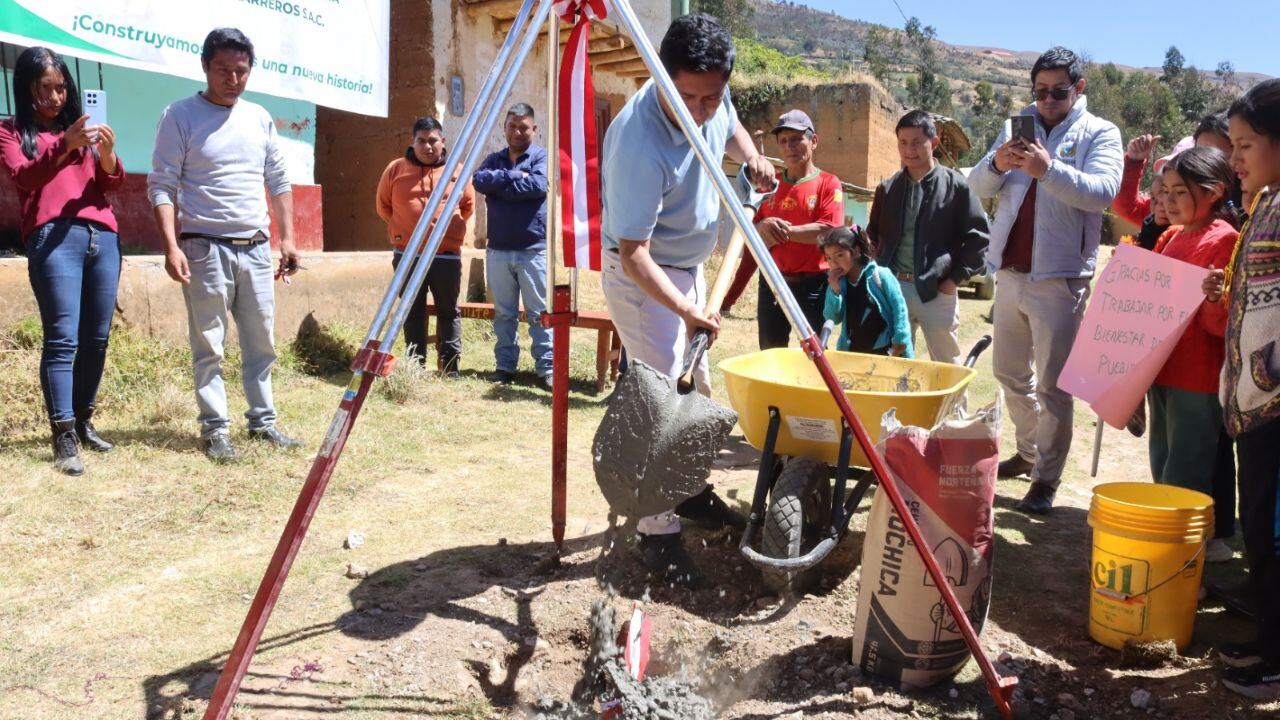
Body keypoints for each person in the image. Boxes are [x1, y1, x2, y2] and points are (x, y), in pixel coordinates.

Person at [598, 12, 775, 585]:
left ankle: (691, 490)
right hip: (647, 281)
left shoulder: (711, 97)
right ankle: (656, 533)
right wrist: (685, 308)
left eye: (711, 97)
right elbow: (634, 254)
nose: (702, 110)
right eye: (690, 98)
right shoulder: (638, 141)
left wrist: (749, 155)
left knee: (695, 386)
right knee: (662, 398)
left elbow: (730, 125)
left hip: (690, 269)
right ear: (662, 77)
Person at [967, 46, 1123, 514]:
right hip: (1010, 272)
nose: (1048, 100)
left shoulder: (1101, 132)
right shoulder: (1020, 123)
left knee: (1053, 387)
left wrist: (1047, 169)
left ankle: (1047, 478)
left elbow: (1102, 194)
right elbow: (977, 185)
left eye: (1058, 91)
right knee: (1008, 374)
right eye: (1040, 91)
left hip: (1060, 279)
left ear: (1079, 88)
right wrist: (998, 163)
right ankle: (1030, 451)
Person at [149, 28, 303, 463]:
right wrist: (171, 246)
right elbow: (161, 185)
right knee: (209, 345)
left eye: (241, 71)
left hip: (255, 247)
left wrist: (287, 238)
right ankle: (216, 429)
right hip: (204, 248)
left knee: (262, 342)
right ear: (205, 67)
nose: (233, 79)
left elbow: (278, 180)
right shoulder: (179, 115)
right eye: (223, 70)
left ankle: (263, 421)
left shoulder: (259, 117)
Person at [0, 47, 124, 475]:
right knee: (62, 340)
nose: (54, 97)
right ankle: (63, 435)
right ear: (26, 90)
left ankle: (85, 421)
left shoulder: (83, 130)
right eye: (43, 90)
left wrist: (106, 156)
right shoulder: (11, 131)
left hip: (102, 234)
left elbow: (109, 183)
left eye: (60, 87)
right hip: (54, 237)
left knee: (96, 338)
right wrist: (64, 147)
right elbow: (24, 177)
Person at [1203, 78, 1280, 700]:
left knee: (1275, 531)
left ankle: (1276, 661)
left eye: (1247, 143)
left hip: (1276, 406)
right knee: (1258, 524)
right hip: (1255, 406)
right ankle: (1268, 635)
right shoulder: (1266, 204)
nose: (1236, 158)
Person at [1146, 147, 1240, 564]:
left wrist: (1215, 299)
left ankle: (1184, 570)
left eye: (1180, 192)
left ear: (1215, 192)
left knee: (1184, 478)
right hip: (1161, 373)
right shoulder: (1171, 237)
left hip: (1196, 381)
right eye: (1165, 191)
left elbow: (1219, 328)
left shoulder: (1225, 240)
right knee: (1162, 466)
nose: (1168, 200)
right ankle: (1172, 560)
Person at [867, 109, 988, 364]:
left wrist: (953, 280)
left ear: (933, 143)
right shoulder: (887, 188)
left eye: (916, 142)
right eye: (903, 142)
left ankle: (954, 407)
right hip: (893, 288)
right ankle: (897, 406)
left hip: (937, 291)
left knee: (947, 365)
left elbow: (978, 238)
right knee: (893, 362)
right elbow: (874, 236)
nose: (909, 149)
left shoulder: (957, 186)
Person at [720, 109, 844, 348]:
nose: (790, 147)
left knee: (814, 356)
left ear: (814, 141)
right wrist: (760, 227)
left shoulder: (828, 183)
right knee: (769, 353)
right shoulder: (768, 186)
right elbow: (750, 231)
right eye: (783, 141)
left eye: (797, 139)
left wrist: (780, 232)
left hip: (815, 287)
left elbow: (829, 232)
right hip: (772, 283)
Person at [376, 117, 474, 375]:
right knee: (411, 310)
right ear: (413, 142)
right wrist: (405, 230)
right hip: (408, 254)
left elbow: (468, 206)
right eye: (421, 141)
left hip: (446, 256)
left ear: (443, 141)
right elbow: (383, 207)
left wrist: (448, 232)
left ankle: (451, 367)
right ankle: (416, 366)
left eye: (433, 141)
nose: (427, 146)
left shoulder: (457, 170)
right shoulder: (395, 169)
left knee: (448, 311)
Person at [472, 103, 552, 387]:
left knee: (539, 314)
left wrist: (501, 188)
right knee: (504, 314)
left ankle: (547, 370)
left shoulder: (541, 157)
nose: (517, 132)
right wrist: (514, 175)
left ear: (534, 129)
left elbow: (538, 187)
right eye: (512, 126)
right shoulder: (495, 159)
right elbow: (480, 181)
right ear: (504, 128)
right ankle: (505, 367)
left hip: (533, 251)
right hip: (499, 252)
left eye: (523, 127)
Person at [821, 226, 913, 357]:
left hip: (887, 352)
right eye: (828, 258)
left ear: (856, 252)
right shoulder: (838, 283)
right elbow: (833, 318)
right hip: (854, 353)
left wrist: (901, 339)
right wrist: (835, 291)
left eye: (839, 255)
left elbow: (899, 308)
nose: (833, 263)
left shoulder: (880, 275)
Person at [1112, 133, 1171, 251]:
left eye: (1180, 191)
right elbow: (1127, 206)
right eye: (1154, 198)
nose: (1160, 205)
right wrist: (1133, 161)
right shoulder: (1151, 221)